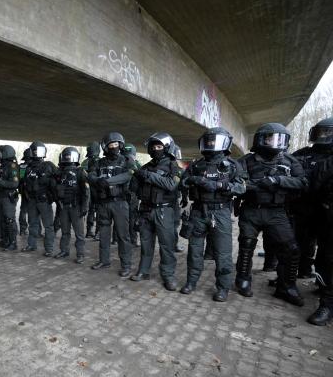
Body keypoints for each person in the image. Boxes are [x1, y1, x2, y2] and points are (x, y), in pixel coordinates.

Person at [235, 123, 306, 306]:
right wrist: (259, 184)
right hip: (252, 210)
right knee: (246, 246)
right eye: (270, 138)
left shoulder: (290, 161)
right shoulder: (247, 160)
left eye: (279, 139)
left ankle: (286, 286)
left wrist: (278, 180)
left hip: (277, 211)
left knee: (291, 249)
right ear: (260, 139)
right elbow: (239, 183)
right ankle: (243, 279)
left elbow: (302, 182)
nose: (275, 143)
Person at [179, 127, 246, 301]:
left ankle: (223, 288)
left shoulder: (232, 166)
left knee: (223, 253)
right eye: (208, 141)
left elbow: (242, 188)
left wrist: (220, 186)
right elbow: (182, 182)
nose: (211, 144)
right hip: (198, 211)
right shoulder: (196, 165)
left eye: (214, 141)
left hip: (221, 212)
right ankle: (191, 282)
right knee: (194, 250)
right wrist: (194, 180)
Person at [130, 133, 180, 291]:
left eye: (159, 146)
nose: (155, 149)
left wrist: (148, 176)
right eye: (153, 147)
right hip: (146, 210)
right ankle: (143, 271)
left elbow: (171, 184)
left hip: (164, 210)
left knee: (167, 245)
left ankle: (168, 276)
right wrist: (135, 174)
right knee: (146, 244)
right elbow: (135, 189)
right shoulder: (145, 167)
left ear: (166, 148)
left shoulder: (173, 165)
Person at [89, 132, 136, 276]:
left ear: (120, 145)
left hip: (120, 203)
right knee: (103, 233)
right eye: (111, 145)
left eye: (116, 144)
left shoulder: (127, 160)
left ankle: (126, 265)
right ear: (106, 147)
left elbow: (129, 175)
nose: (114, 147)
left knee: (123, 235)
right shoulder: (99, 163)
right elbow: (90, 175)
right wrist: (97, 181)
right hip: (103, 203)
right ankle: (104, 261)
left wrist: (106, 182)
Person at [290, 121, 333, 280]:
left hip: (325, 208)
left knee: (325, 247)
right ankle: (293, 273)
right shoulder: (302, 153)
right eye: (321, 132)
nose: (322, 136)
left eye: (327, 132)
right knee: (298, 240)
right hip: (302, 204)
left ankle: (322, 282)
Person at [306, 117, 333, 325]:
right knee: (327, 260)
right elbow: (315, 186)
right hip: (328, 217)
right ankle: (326, 303)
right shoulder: (326, 162)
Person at [54, 147, 90, 264]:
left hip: (76, 207)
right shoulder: (60, 172)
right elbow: (56, 189)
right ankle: (64, 251)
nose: (67, 158)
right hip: (64, 207)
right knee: (65, 232)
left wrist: (85, 207)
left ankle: (80, 254)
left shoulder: (80, 172)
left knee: (79, 234)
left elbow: (86, 191)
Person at [21, 141, 57, 256]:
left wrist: (53, 197)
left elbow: (58, 181)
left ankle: (49, 249)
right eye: (34, 151)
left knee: (48, 226)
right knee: (32, 224)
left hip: (44, 201)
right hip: (32, 201)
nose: (36, 153)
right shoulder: (28, 168)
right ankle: (31, 245)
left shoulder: (49, 165)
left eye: (38, 151)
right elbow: (23, 183)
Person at [0, 145, 20, 251]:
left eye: (0, 153)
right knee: (3, 220)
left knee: (9, 220)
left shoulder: (12, 166)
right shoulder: (3, 166)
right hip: (2, 196)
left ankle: (13, 243)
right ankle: (5, 240)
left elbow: (14, 184)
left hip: (8, 197)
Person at [82, 142, 101, 239]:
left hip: (88, 189)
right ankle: (97, 233)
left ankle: (89, 231)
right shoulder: (101, 161)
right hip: (98, 189)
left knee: (90, 210)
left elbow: (83, 175)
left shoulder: (85, 162)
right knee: (99, 211)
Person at [123, 143, 141, 247]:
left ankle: (117, 239)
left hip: (124, 194)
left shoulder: (119, 162)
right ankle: (133, 239)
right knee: (132, 217)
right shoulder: (136, 164)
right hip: (132, 195)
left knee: (121, 217)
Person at [18, 148, 31, 236]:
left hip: (24, 191)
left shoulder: (22, 166)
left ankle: (23, 229)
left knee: (23, 210)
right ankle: (35, 230)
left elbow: (21, 179)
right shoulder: (37, 165)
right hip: (29, 191)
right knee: (34, 211)